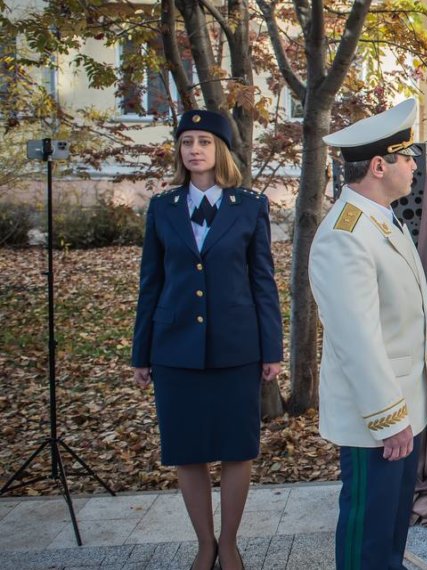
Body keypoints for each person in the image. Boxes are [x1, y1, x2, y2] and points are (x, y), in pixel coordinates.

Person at [131, 109, 284, 570]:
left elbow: (263, 281)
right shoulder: (163, 208)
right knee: (187, 450)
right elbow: (150, 284)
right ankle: (205, 544)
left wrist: (271, 349)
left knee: (238, 448)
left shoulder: (251, 206)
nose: (194, 149)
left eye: (204, 141)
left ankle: (231, 542)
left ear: (221, 150)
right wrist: (142, 354)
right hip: (175, 349)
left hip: (236, 347)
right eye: (186, 141)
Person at [309, 98, 427, 570]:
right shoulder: (345, 235)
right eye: (407, 157)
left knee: (390, 528)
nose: (412, 166)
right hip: (378, 416)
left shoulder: (381, 218)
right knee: (368, 530)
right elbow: (356, 339)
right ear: (380, 165)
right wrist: (388, 418)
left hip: (402, 404)